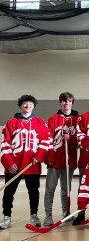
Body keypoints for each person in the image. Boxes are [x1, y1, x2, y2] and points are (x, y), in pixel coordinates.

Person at [0, 95, 50, 229]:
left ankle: (34, 216)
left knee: (33, 191)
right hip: (14, 166)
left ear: (34, 106)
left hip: (32, 164)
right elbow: (5, 144)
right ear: (20, 105)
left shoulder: (40, 122)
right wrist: (9, 163)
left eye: (30, 103)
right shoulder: (11, 123)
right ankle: (7, 217)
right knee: (9, 191)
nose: (28, 105)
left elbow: (46, 141)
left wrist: (38, 157)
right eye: (25, 103)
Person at [44, 92, 79, 226]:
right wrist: (49, 158)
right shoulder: (53, 119)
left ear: (72, 103)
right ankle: (48, 215)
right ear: (60, 103)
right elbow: (47, 141)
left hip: (69, 160)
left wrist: (71, 139)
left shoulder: (78, 119)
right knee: (50, 189)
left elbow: (80, 140)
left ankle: (66, 213)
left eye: (69, 101)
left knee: (66, 188)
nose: (66, 104)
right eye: (64, 101)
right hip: (55, 160)